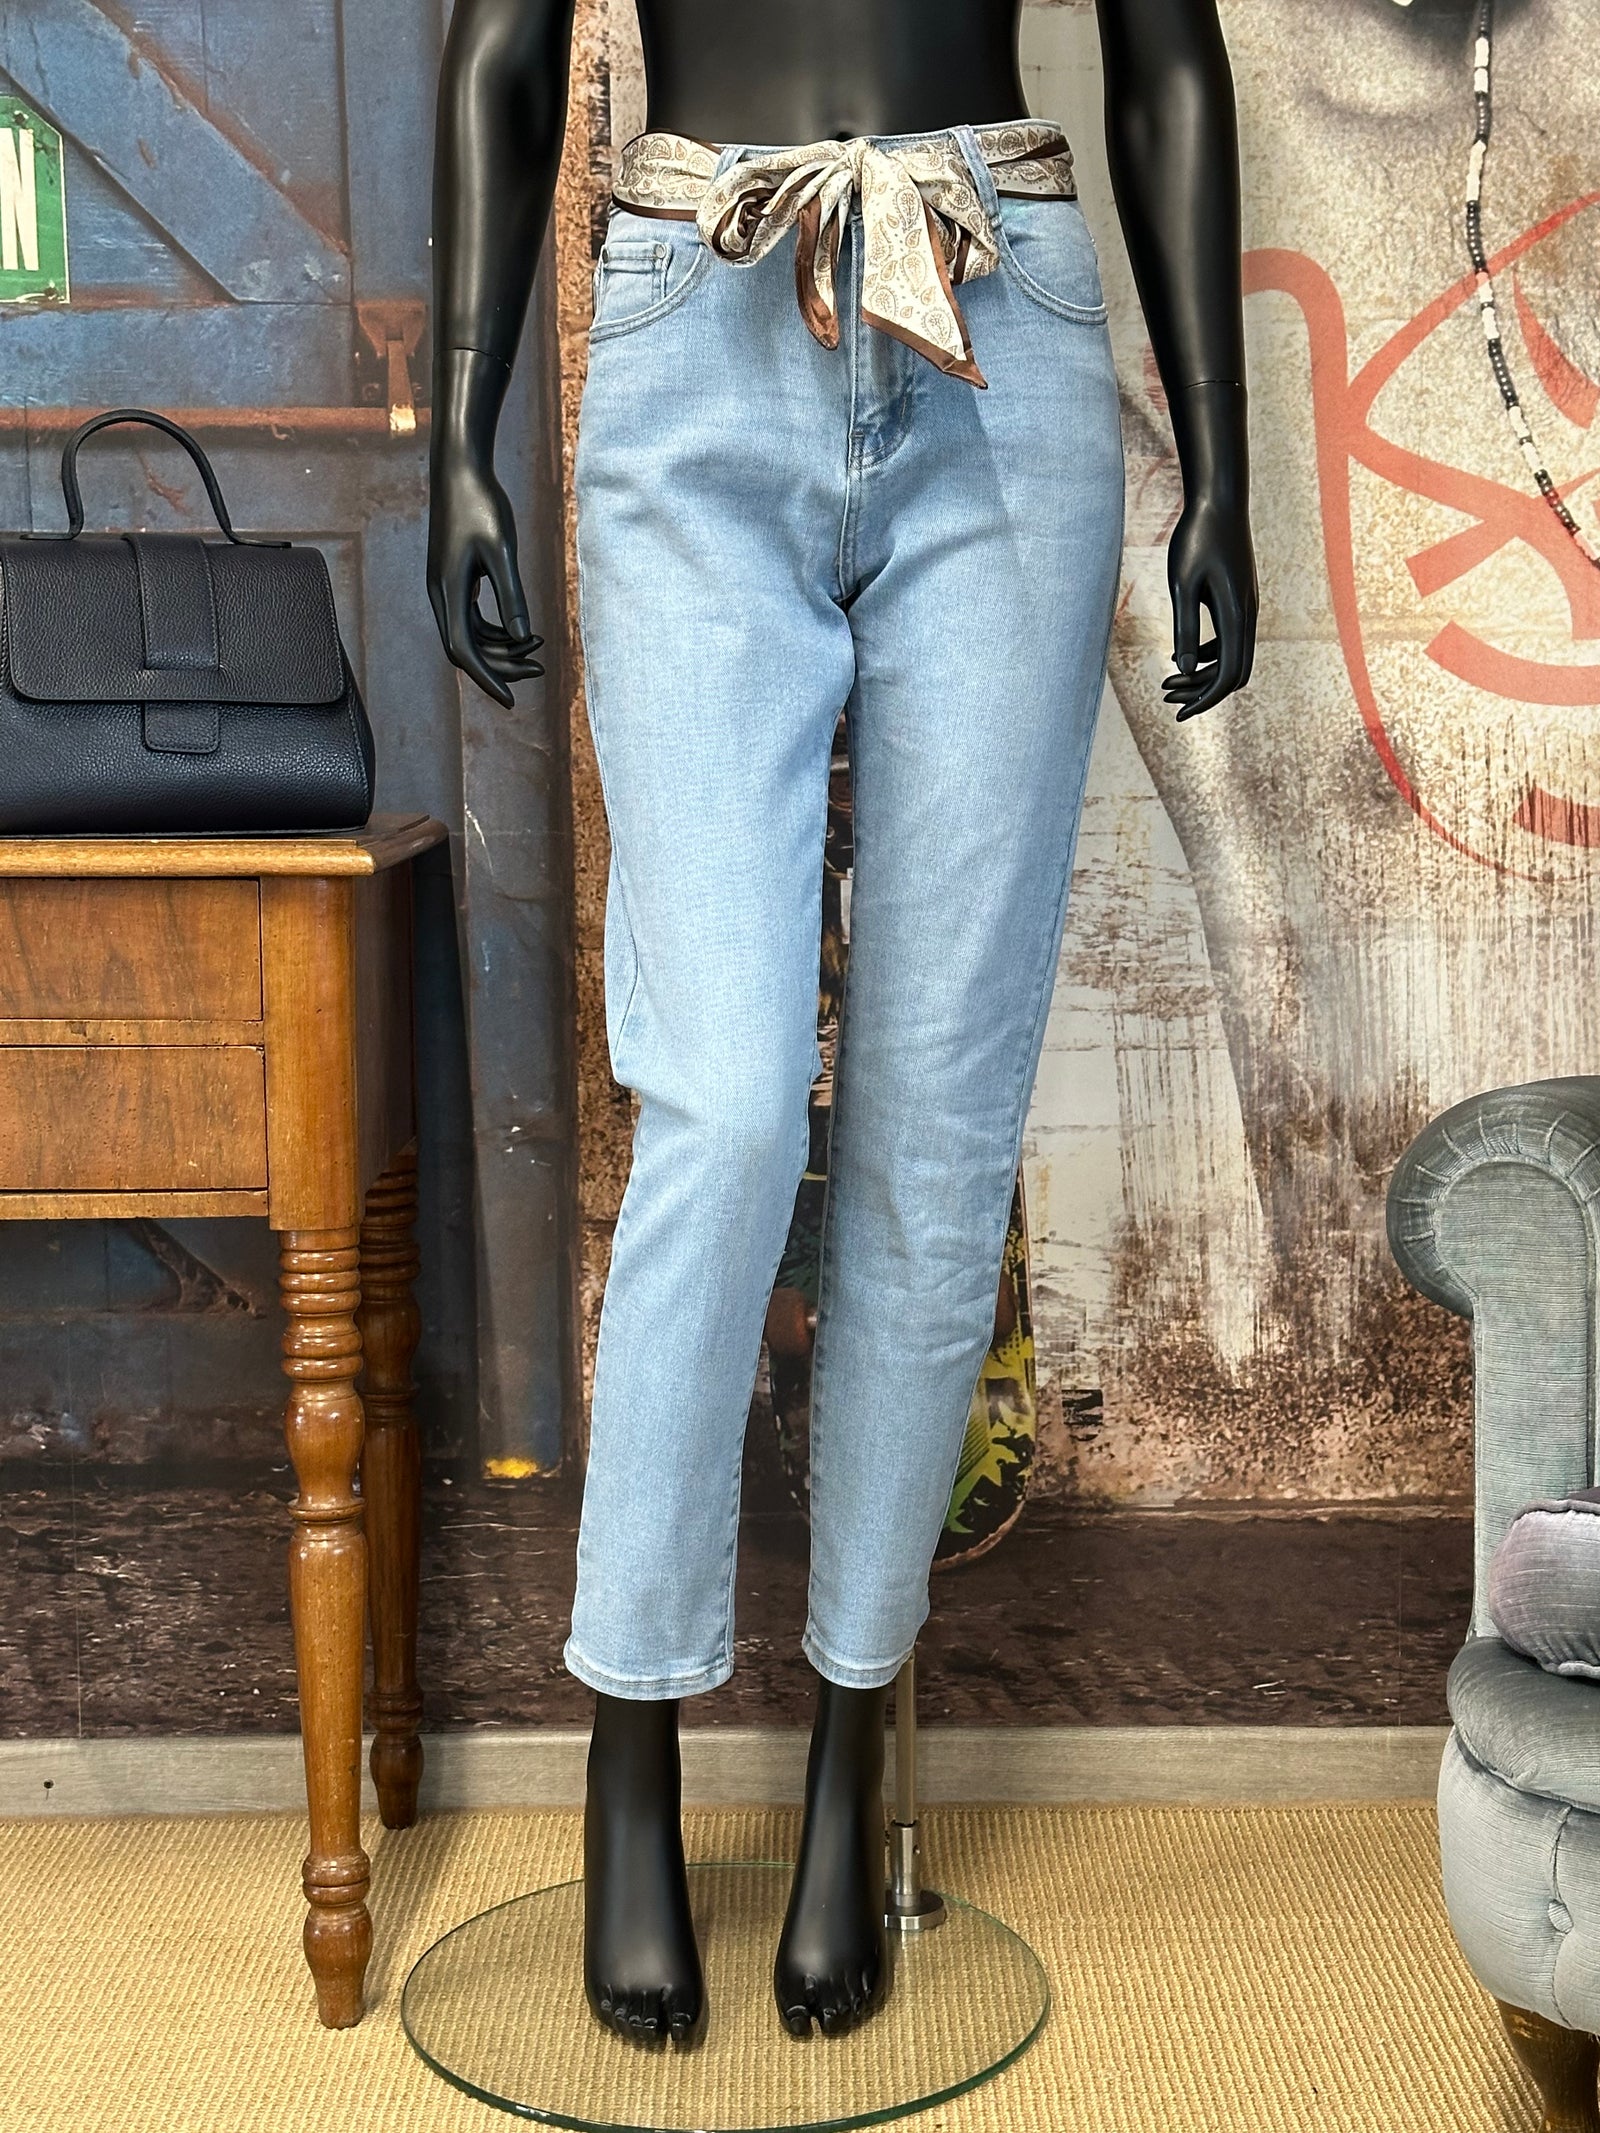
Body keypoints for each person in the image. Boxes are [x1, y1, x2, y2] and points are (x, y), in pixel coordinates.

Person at [428, 0, 1256, 2045]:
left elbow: (1165, 51)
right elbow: (498, 45)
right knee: (721, 1101)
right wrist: (460, 432)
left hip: (999, 323)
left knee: (932, 1125)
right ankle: (631, 1731)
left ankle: (850, 1737)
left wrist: (1218, 468)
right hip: (700, 306)